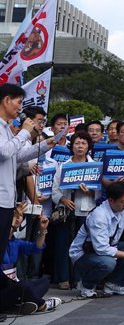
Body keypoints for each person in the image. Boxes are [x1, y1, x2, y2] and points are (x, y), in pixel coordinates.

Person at [0, 84, 53, 292]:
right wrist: (24, 132)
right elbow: (4, 152)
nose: (20, 108)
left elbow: (16, 156)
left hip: (6, 198)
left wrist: (43, 146)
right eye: (18, 102)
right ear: (6, 100)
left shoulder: (5, 127)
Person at [52, 131, 99, 290]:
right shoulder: (63, 166)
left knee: (82, 247)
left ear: (88, 147)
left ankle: (79, 278)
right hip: (66, 211)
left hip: (85, 211)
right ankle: (64, 278)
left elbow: (99, 192)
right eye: (77, 143)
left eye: (84, 143)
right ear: (72, 146)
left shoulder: (94, 166)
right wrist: (63, 199)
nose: (80, 146)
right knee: (62, 245)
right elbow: (55, 190)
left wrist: (90, 192)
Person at [69, 182, 124, 298]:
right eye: (122, 202)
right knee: (108, 263)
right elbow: (101, 249)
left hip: (109, 247)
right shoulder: (99, 216)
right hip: (84, 254)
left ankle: (114, 283)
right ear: (111, 200)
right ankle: (86, 286)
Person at [1, 204, 61, 315]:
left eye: (21, 216)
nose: (19, 218)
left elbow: (37, 248)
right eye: (16, 215)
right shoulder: (3, 240)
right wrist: (12, 221)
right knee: (23, 285)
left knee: (44, 282)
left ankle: (16, 305)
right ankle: (42, 304)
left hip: (13, 288)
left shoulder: (16, 243)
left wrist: (42, 230)